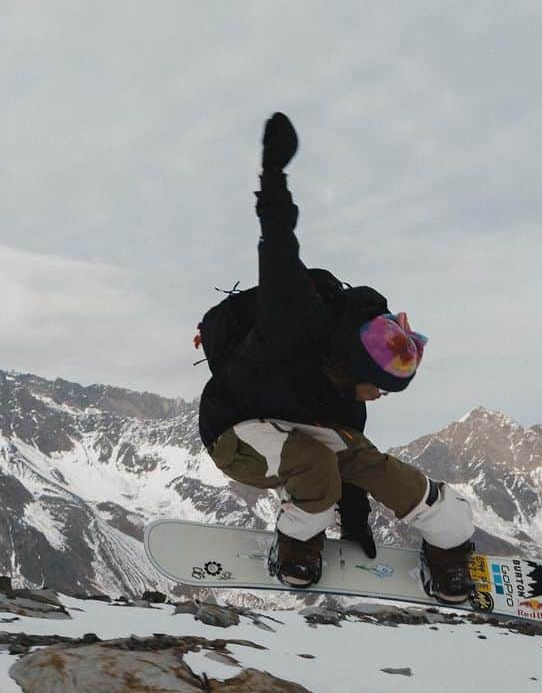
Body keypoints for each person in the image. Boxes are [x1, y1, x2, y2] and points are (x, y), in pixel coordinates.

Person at [197, 112, 475, 602]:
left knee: (375, 465)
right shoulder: (293, 321)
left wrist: (357, 519)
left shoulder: (349, 398)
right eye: (379, 387)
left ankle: (449, 542)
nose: (378, 397)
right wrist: (273, 172)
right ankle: (296, 542)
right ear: (357, 368)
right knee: (316, 470)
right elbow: (280, 243)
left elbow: (355, 466)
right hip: (234, 430)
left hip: (296, 433)